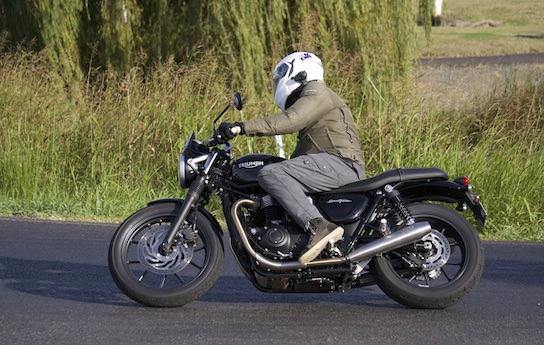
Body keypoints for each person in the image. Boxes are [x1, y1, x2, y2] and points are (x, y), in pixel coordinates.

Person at [219, 52, 365, 264]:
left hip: (340, 163)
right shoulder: (312, 98)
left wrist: (241, 127)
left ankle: (319, 227)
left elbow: (291, 119)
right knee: (279, 172)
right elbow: (302, 155)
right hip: (331, 164)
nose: (278, 83)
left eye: (281, 75)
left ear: (298, 72)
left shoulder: (315, 90)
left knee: (271, 172)